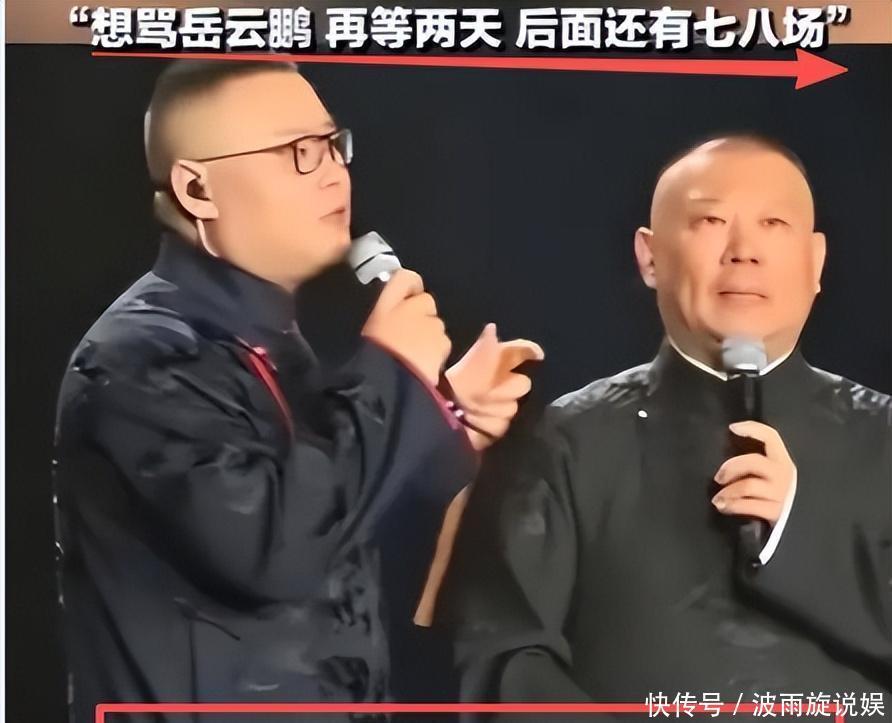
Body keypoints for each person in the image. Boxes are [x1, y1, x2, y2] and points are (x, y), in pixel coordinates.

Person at [53, 60, 543, 722]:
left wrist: (445, 409)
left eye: (334, 145)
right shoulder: (137, 359)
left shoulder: (274, 345)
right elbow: (272, 549)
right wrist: (393, 374)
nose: (335, 173)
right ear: (198, 189)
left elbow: (345, 525)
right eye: (298, 152)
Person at [440, 135, 891, 713]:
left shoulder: (881, 437)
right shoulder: (564, 445)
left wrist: (796, 535)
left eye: (774, 224)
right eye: (711, 221)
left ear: (816, 262)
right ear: (650, 257)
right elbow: (504, 655)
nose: (744, 251)